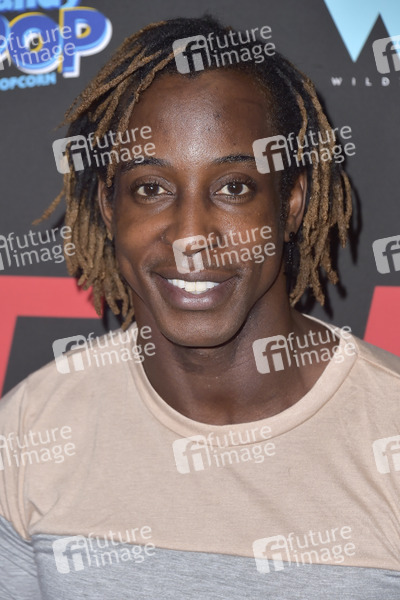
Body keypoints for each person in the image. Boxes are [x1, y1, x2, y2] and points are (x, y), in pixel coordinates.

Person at [0, 15, 399, 600]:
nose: (191, 237)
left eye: (234, 187)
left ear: (290, 204)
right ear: (109, 208)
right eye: (150, 188)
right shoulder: (31, 428)